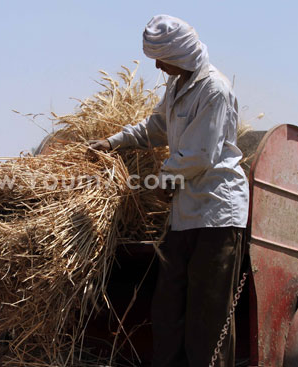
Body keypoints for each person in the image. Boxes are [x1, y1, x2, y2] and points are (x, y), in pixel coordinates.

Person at [89, 15, 249, 367]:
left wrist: (165, 180)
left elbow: (199, 154)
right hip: (185, 216)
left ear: (180, 54)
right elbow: (156, 126)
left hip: (216, 216)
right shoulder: (178, 87)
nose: (158, 66)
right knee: (168, 309)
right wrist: (114, 143)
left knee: (208, 318)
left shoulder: (214, 90)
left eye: (161, 59)